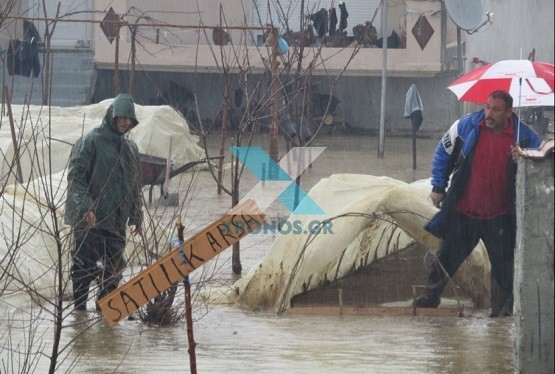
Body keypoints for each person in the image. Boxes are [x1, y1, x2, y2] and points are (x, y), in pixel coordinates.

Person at [413, 90, 542, 317]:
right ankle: (427, 303)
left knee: (505, 271)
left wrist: (523, 160)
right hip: (464, 212)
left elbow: (543, 164)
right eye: (487, 107)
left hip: (499, 216)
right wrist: (438, 187)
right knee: (444, 261)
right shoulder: (467, 126)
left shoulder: (525, 137)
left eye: (496, 109)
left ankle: (504, 317)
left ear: (509, 112)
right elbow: (442, 152)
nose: (488, 113)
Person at [65, 94, 143, 311]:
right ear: (112, 116)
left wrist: (137, 216)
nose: (125, 122)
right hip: (91, 219)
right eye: (122, 117)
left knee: (114, 269)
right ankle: (79, 311)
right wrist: (86, 207)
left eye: (129, 118)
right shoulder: (92, 141)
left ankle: (104, 312)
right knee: (83, 266)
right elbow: (76, 176)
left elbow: (135, 185)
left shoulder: (130, 149)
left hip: (116, 220)